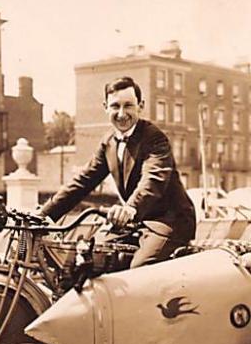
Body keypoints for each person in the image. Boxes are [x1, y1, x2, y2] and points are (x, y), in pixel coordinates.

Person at [38, 76, 196, 268]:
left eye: (128, 105)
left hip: (169, 222)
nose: (122, 113)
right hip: (135, 222)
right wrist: (43, 215)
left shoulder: (154, 137)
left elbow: (153, 178)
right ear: (106, 107)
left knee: (138, 270)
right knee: (85, 259)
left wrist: (130, 208)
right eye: (115, 106)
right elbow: (82, 182)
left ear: (141, 105)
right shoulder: (108, 143)